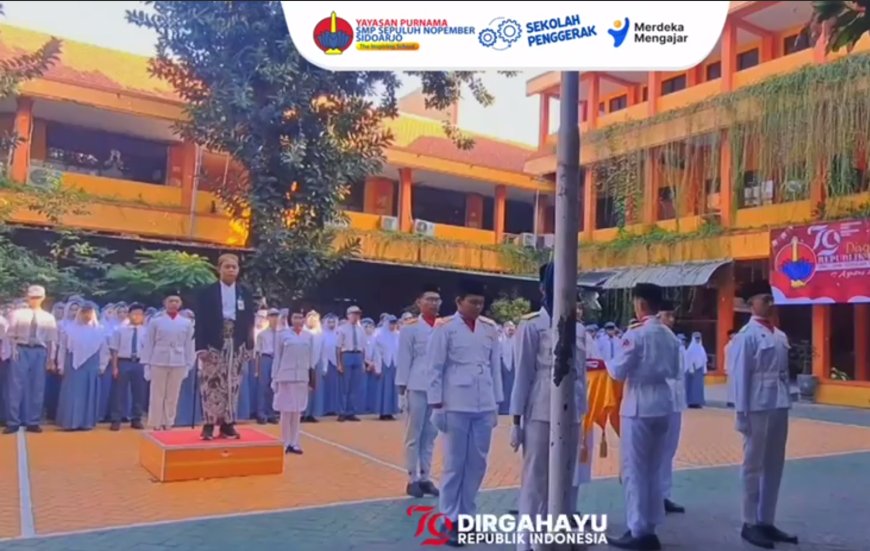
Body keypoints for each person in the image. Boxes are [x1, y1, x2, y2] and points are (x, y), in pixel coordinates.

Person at [511, 263, 586, 550]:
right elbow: (523, 374)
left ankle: (558, 537)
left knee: (568, 477)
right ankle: (527, 541)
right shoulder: (532, 326)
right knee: (536, 478)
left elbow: (580, 374)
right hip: (541, 408)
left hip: (572, 410)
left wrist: (583, 410)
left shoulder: (578, 328)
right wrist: (516, 422)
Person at [605, 283, 680, 550]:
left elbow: (617, 371)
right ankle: (651, 525)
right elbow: (675, 370)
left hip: (638, 403)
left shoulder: (635, 335)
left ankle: (637, 529)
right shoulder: (670, 336)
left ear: (640, 304)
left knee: (634, 469)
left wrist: (605, 361)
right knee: (655, 468)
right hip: (663, 402)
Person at [428, 279, 503, 547]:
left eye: (481, 303)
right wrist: (436, 404)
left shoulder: (489, 328)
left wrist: (497, 403)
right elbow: (435, 367)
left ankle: (468, 516)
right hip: (455, 402)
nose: (477, 307)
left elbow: (495, 367)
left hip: (483, 402)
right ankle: (449, 518)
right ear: (459, 302)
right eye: (472, 302)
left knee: (477, 463)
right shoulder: (445, 328)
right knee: (454, 463)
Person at [729, 280, 797, 549]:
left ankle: (766, 520)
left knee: (774, 465)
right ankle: (749, 522)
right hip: (756, 404)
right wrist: (741, 413)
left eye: (771, 298)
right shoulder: (746, 336)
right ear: (750, 304)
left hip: (779, 403)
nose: (769, 303)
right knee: (752, 465)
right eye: (764, 299)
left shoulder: (779, 336)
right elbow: (740, 378)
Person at [193, 253, 256, 440]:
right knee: (211, 384)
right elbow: (201, 321)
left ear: (238, 270)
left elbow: (249, 321)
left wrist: (249, 345)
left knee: (233, 384)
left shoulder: (244, 292)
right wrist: (201, 347)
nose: (230, 270)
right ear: (219, 269)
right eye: (226, 267)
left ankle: (228, 423)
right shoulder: (207, 293)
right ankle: (209, 424)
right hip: (214, 344)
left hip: (236, 344)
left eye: (234, 267)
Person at [397, 284, 443, 499]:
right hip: (416, 384)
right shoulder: (410, 327)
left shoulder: (444, 326)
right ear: (419, 302)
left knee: (431, 434)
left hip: (437, 387)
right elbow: (404, 359)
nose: (434, 303)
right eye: (429, 299)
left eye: (437, 299)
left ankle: (425, 476)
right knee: (413, 434)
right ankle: (411, 477)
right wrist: (401, 389)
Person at [3, 285, 58, 434]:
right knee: (15, 386)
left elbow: (51, 340)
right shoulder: (17, 314)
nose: (34, 300)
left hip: (39, 351)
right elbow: (9, 335)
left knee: (37, 386)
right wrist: (10, 352)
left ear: (43, 298)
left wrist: (51, 359)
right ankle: (13, 421)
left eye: (37, 297)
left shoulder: (48, 317)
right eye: (32, 297)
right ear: (27, 297)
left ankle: (33, 421)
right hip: (20, 348)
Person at [142, 295, 195, 430]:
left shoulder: (186, 323)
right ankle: (155, 422)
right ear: (165, 303)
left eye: (176, 301)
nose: (173, 304)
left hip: (178, 360)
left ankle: (169, 421)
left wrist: (189, 364)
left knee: (173, 394)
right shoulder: (156, 321)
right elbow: (149, 343)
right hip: (158, 359)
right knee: (157, 393)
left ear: (180, 304)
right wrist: (146, 364)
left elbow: (189, 344)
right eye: (170, 301)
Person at [55, 302, 108, 431]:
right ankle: (70, 422)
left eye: (89, 312)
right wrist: (60, 365)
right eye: (84, 312)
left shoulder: (99, 330)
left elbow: (104, 350)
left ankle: (86, 422)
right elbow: (62, 348)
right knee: (73, 393)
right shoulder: (69, 329)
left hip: (92, 364)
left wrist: (102, 365)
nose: (86, 315)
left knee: (89, 392)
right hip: (73, 364)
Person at [272, 311, 317, 454]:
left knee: (297, 411)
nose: (298, 320)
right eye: (295, 317)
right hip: (285, 376)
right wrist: (275, 378)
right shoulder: (282, 335)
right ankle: (284, 442)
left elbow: (311, 360)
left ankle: (295, 442)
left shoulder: (309, 336)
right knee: (286, 411)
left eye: (301, 317)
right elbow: (277, 358)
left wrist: (311, 379)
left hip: (302, 376)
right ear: (290, 319)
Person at [657, 300, 687, 515]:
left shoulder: (674, 340)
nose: (671, 320)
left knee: (669, 451)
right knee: (656, 452)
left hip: (675, 401)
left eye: (672, 316)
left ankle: (664, 495)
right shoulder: (653, 338)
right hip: (659, 401)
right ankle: (653, 496)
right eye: (667, 315)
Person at [108, 303, 148, 431]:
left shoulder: (146, 331)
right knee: (119, 392)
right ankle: (116, 419)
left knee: (139, 392)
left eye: (140, 314)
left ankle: (136, 418)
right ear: (129, 315)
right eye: (134, 314)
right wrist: (114, 367)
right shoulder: (120, 330)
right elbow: (114, 349)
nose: (137, 316)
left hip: (140, 362)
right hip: (123, 361)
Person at [336, 305, 367, 422]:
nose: (356, 316)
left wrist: (363, 362)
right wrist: (339, 363)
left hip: (357, 355)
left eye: (358, 314)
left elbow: (363, 347)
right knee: (344, 386)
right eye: (354, 314)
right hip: (347, 354)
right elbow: (338, 347)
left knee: (354, 386)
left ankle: (351, 411)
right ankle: (341, 411)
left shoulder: (361, 329)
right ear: (348, 315)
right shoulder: (342, 329)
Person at [254, 309, 282, 425]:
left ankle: (271, 413)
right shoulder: (262, 334)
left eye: (276, 316)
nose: (274, 319)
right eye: (272, 316)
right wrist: (257, 369)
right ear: (268, 318)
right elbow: (257, 353)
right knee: (263, 386)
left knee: (274, 387)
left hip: (277, 359)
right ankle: (261, 413)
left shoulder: (281, 334)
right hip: (265, 358)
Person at [372, 315, 400, 420]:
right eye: (391, 323)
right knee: (384, 388)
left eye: (394, 323)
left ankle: (391, 411)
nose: (392, 326)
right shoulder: (379, 335)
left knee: (393, 388)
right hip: (384, 364)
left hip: (394, 364)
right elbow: (377, 353)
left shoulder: (398, 335)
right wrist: (378, 367)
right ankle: (383, 412)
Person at [302, 311, 324, 423]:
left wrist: (324, 366)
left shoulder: (320, 333)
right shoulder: (303, 332)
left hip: (316, 363)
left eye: (314, 318)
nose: (312, 320)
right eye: (310, 317)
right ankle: (302, 413)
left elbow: (323, 351)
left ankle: (311, 413)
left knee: (314, 389)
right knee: (303, 389)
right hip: (304, 363)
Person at [685, 332, 708, 408]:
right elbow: (689, 360)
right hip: (693, 370)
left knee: (699, 387)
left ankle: (698, 402)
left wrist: (705, 370)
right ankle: (692, 402)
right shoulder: (691, 348)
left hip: (700, 370)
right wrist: (691, 369)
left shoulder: (701, 348)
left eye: (699, 338)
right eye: (696, 338)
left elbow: (704, 360)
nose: (698, 340)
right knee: (692, 387)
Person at [498, 321, 516, 415]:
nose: (510, 331)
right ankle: (503, 409)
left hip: (513, 365)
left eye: (512, 329)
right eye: (509, 329)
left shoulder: (516, 340)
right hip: (502, 365)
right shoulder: (499, 340)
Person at [725, 329, 738, 408]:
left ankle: (734, 400)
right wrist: (726, 368)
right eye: (733, 334)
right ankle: (730, 400)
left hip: (736, 368)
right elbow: (727, 358)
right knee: (731, 385)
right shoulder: (728, 346)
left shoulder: (737, 345)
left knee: (735, 385)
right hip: (730, 368)